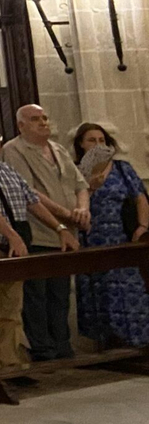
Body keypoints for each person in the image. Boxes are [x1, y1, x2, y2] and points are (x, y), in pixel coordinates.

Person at [0, 122, 74, 369]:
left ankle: (10, 360)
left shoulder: (7, 170)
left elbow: (32, 201)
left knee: (13, 306)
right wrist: (11, 235)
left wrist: (60, 228)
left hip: (15, 243)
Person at [2, 103, 90, 361]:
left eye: (45, 118)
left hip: (66, 231)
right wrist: (64, 215)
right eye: (35, 119)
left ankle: (63, 345)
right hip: (38, 231)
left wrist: (83, 210)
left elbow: (80, 184)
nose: (43, 123)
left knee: (60, 294)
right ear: (21, 125)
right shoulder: (14, 150)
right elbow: (29, 192)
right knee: (37, 297)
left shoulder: (58, 149)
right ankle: (43, 348)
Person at [73, 122, 149, 346]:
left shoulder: (122, 168)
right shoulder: (76, 171)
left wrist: (143, 227)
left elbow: (140, 198)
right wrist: (91, 186)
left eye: (101, 140)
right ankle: (106, 340)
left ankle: (138, 339)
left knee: (131, 287)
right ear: (80, 144)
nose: (97, 145)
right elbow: (71, 200)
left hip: (122, 235)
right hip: (91, 237)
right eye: (91, 140)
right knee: (99, 289)